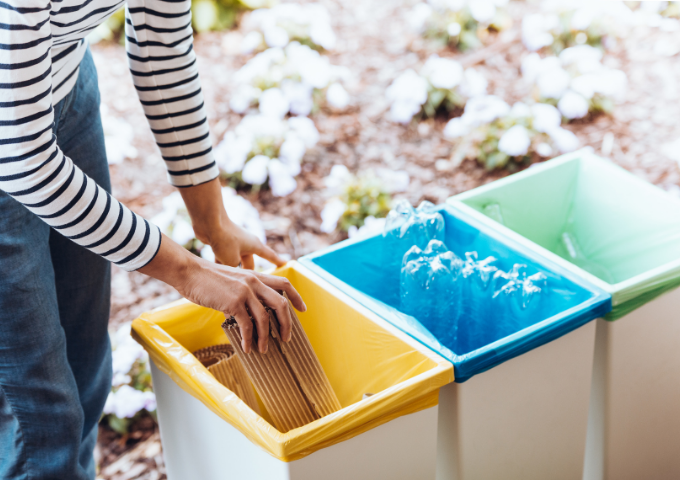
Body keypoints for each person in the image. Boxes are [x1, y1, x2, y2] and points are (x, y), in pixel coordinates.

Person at [0, 0, 305, 478]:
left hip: (63, 86)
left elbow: (160, 46)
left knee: (85, 371)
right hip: (16, 143)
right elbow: (25, 161)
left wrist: (212, 220)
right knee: (42, 419)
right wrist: (189, 271)